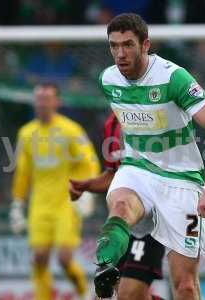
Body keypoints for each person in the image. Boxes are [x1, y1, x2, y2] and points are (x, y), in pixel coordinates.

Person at [94, 13, 205, 300]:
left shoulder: (173, 78)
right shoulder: (108, 79)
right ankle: (105, 266)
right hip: (138, 170)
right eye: (113, 46)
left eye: (128, 45)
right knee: (119, 205)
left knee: (184, 285)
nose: (120, 54)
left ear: (145, 45)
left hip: (182, 181)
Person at [9, 83, 100, 300]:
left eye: (47, 98)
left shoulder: (71, 130)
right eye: (38, 98)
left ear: (57, 102)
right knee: (39, 257)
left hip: (66, 203)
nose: (42, 103)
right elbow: (23, 172)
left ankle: (83, 292)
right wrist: (17, 203)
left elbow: (89, 161)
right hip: (39, 204)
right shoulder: (26, 133)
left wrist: (86, 192)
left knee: (64, 258)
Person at [70, 112, 165, 300]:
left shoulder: (157, 115)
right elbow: (113, 175)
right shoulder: (111, 124)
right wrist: (86, 185)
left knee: (128, 294)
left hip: (150, 225)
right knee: (115, 295)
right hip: (120, 226)